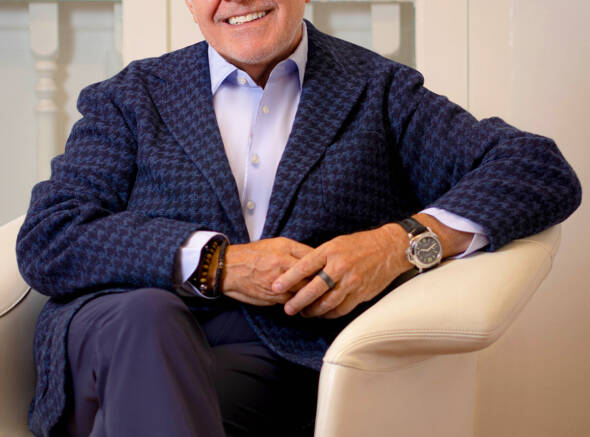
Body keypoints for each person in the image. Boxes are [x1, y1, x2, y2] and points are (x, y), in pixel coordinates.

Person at [16, 0, 581, 436]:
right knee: (149, 317)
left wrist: (397, 246)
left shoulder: (377, 91)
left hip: (276, 356)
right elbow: (50, 234)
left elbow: (536, 169)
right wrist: (218, 264)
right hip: (119, 332)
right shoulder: (130, 97)